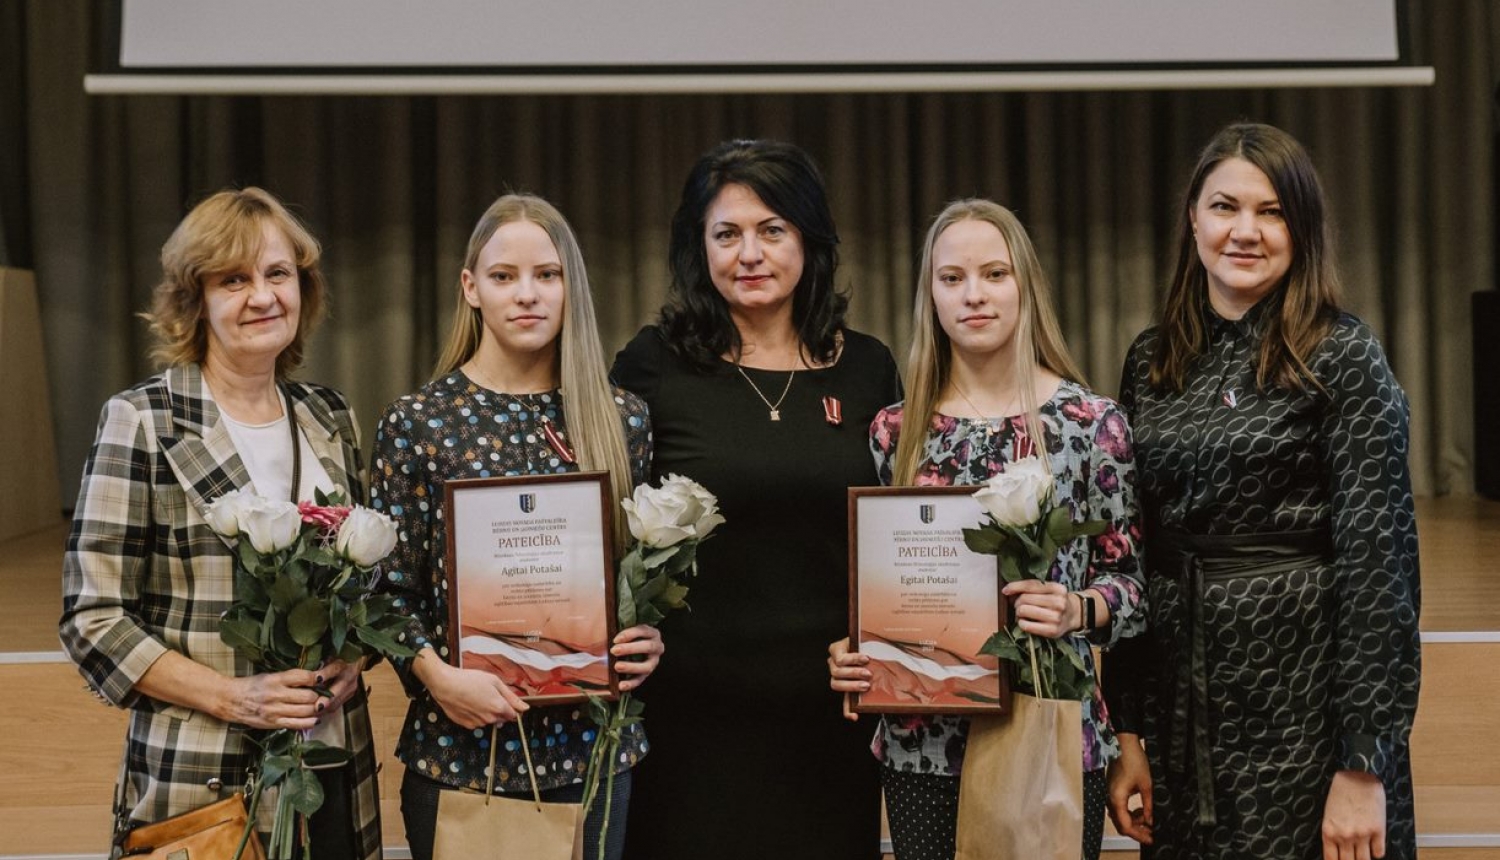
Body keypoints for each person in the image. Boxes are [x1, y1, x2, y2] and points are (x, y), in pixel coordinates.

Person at [1102, 122, 1422, 860]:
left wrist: (1362, 765)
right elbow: (1133, 555)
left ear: (1301, 228)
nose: (1245, 230)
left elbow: (1383, 574)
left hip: (1306, 721)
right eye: (1225, 207)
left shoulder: (1343, 356)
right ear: (1193, 218)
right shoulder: (1152, 358)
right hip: (1185, 720)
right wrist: (1127, 733)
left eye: (1272, 212)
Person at [59, 187, 383, 858]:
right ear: (193, 298)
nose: (262, 296)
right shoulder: (143, 419)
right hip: (205, 785)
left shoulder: (330, 416)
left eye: (277, 274)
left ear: (303, 287)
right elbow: (93, 620)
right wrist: (237, 698)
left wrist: (354, 656)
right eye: (233, 280)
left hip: (331, 775)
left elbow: (366, 587)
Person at [826, 199, 1146, 860]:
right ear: (931, 296)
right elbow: (879, 585)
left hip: (1050, 732)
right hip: (922, 742)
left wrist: (1077, 608)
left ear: (1025, 285)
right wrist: (859, 650)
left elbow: (1133, 588)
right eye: (952, 278)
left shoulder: (1091, 423)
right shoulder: (895, 430)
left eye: (994, 274)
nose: (974, 295)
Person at [610, 139, 901, 860]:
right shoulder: (650, 365)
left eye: (773, 230)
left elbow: (898, 538)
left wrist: (887, 643)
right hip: (689, 719)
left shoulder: (868, 366)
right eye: (726, 233)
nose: (750, 253)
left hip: (830, 717)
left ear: (810, 240)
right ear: (697, 247)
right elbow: (606, 533)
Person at [370, 193, 662, 860]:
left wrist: (647, 636)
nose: (526, 294)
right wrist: (436, 677)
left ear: (571, 288)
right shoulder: (419, 423)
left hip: (595, 751)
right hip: (460, 747)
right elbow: (382, 591)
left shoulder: (621, 419)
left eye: (547, 275)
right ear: (471, 288)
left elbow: (638, 576)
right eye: (504, 276)